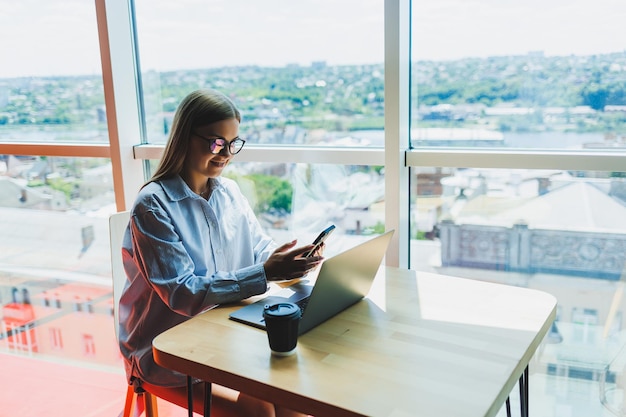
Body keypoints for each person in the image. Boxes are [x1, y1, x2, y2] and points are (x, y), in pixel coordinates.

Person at [118, 89, 322, 417]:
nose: (226, 153)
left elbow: (257, 247)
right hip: (165, 352)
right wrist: (268, 272)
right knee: (260, 412)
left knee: (293, 398)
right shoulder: (153, 207)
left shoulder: (228, 191)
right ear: (186, 137)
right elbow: (183, 293)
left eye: (233, 143)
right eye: (216, 142)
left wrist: (290, 262)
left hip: (224, 332)